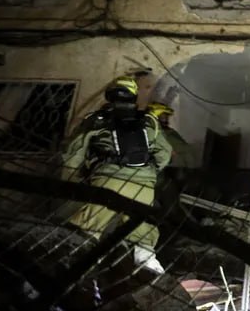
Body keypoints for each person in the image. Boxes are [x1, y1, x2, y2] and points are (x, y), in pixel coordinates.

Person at [60, 76, 171, 274]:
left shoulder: (96, 120)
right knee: (142, 234)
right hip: (143, 186)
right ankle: (150, 270)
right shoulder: (149, 121)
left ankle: (78, 272)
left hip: (107, 182)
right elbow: (164, 153)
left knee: (85, 230)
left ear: (109, 95)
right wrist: (148, 173)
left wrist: (75, 178)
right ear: (134, 96)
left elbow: (73, 154)